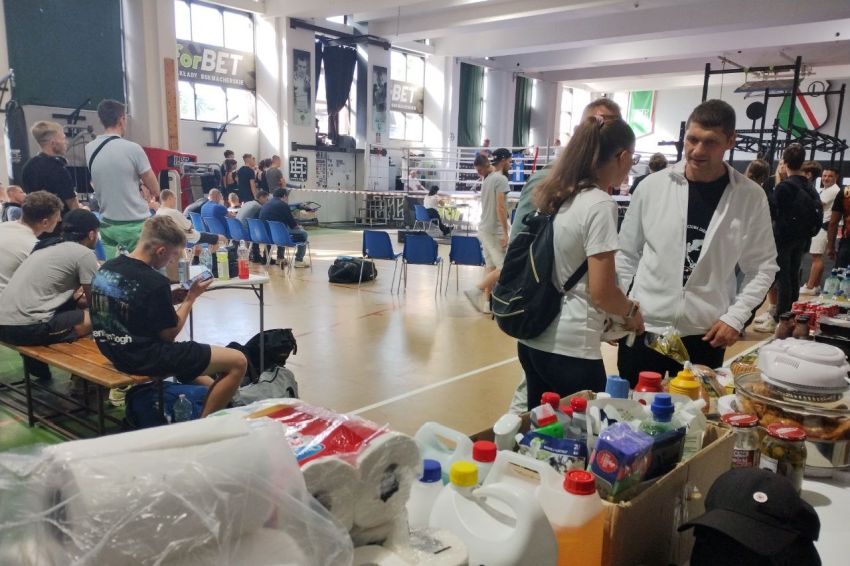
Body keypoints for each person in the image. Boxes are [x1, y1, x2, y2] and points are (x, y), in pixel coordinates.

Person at [616, 99, 778, 384]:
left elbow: (762, 267)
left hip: (706, 334)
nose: (698, 150)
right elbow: (626, 254)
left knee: (698, 410)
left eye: (710, 142)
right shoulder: (652, 187)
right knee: (632, 407)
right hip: (645, 328)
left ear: (730, 141)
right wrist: (622, 309)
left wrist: (735, 317)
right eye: (692, 139)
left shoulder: (749, 196)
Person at [519, 116, 645, 403]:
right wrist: (630, 313)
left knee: (543, 426)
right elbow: (602, 292)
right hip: (572, 348)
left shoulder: (558, 196)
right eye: (633, 158)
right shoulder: (599, 204)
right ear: (622, 156)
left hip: (534, 338)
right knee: (587, 428)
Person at [90, 216, 247, 417]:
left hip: (111, 349)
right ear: (161, 251)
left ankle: (223, 400)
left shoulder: (107, 268)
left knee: (197, 368)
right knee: (237, 361)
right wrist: (190, 298)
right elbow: (169, 335)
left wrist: (169, 300)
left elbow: (129, 303)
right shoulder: (155, 281)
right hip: (141, 357)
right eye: (173, 255)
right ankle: (205, 422)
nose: (172, 261)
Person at [0, 209, 99, 351]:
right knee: (98, 317)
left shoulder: (44, 246)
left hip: (4, 323)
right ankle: (83, 364)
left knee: (79, 310)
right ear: (91, 234)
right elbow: (96, 302)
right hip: (24, 329)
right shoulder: (84, 253)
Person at [754, 144, 818, 333]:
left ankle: (779, 319)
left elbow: (772, 213)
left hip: (783, 238)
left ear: (786, 161)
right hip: (802, 238)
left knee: (781, 279)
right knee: (792, 277)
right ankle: (788, 316)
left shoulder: (784, 187)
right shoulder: (809, 186)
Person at [85, 99, 160, 258]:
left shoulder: (89, 148)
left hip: (107, 224)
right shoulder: (133, 148)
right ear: (121, 120)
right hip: (135, 224)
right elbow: (155, 189)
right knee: (145, 267)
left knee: (114, 270)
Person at [464, 148, 512, 313]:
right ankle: (475, 290)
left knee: (491, 267)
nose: (510, 164)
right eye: (510, 161)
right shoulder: (500, 179)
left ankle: (487, 304)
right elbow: (501, 207)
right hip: (493, 230)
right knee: (503, 268)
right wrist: (505, 232)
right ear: (504, 161)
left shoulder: (488, 180)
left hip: (484, 228)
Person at [0, 191, 62, 294]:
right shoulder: (34, 248)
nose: (60, 220)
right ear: (45, 223)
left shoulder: (3, 227)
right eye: (57, 217)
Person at [21, 121, 80, 218]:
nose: (66, 142)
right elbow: (73, 205)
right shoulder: (58, 169)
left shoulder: (28, 167)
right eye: (63, 138)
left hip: (36, 222)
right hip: (58, 223)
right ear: (53, 142)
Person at [800, 166, 839, 295]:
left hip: (823, 227)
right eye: (824, 176)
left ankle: (810, 286)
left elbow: (816, 204)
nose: (826, 178)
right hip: (822, 226)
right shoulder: (826, 189)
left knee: (816, 257)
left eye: (830, 176)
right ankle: (815, 285)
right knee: (817, 257)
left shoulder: (833, 190)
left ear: (836, 177)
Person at [155, 189, 223, 251]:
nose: (175, 201)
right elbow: (190, 226)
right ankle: (215, 258)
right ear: (169, 198)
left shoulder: (158, 212)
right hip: (187, 238)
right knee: (219, 238)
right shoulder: (173, 212)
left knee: (209, 238)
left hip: (171, 240)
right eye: (174, 198)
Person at [259, 188, 310, 268]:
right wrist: (299, 227)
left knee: (281, 231)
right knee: (304, 234)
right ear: (284, 196)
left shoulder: (265, 204)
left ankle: (280, 258)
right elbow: (293, 225)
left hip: (266, 235)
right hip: (279, 234)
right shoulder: (283, 205)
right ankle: (299, 260)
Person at [237, 190, 270, 262]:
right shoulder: (258, 207)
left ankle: (255, 255)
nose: (267, 202)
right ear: (261, 198)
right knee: (265, 231)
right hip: (245, 232)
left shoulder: (247, 203)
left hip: (236, 230)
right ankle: (260, 256)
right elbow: (260, 222)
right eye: (267, 199)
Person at [826, 168, 850, 268]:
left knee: (841, 274)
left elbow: (833, 222)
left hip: (847, 242)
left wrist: (831, 247)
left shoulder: (846, 191)